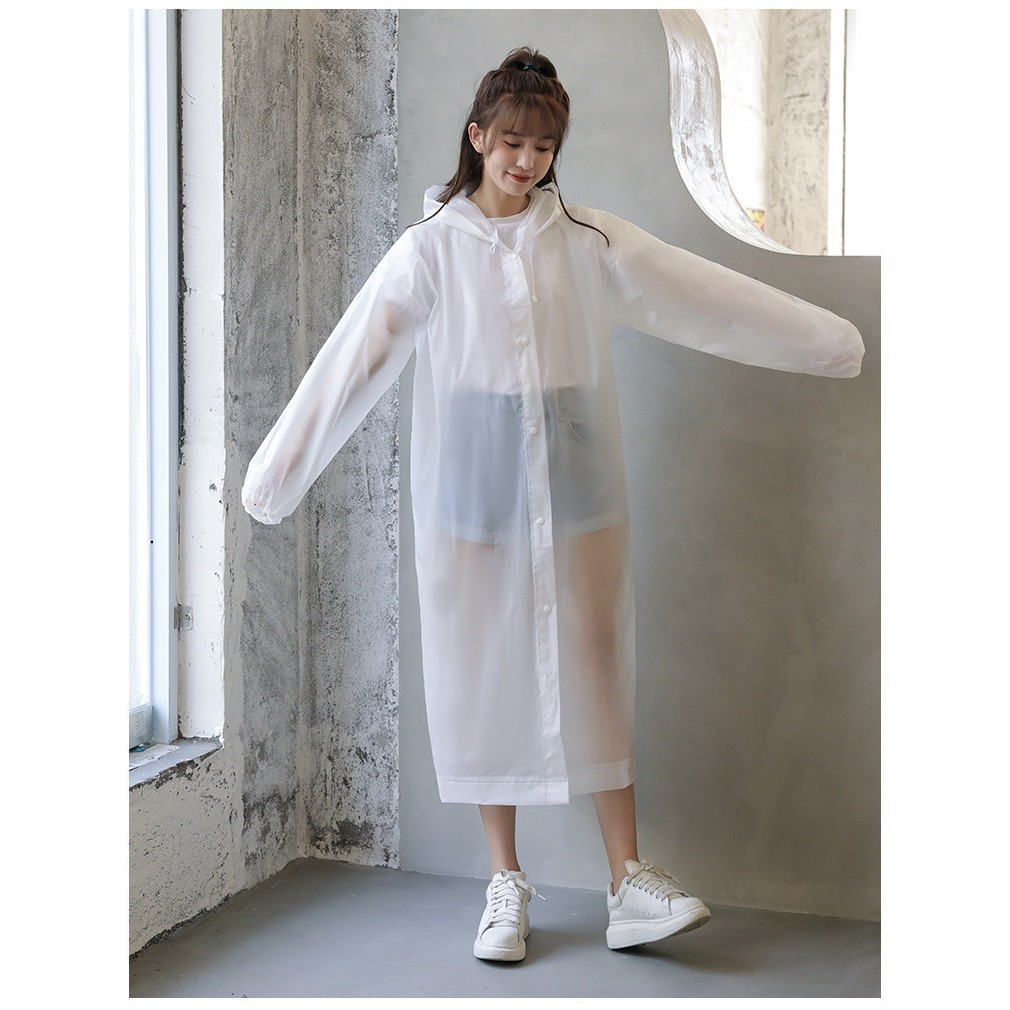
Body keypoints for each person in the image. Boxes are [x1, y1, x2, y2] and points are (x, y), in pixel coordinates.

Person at [242, 47, 865, 962]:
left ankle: (628, 878)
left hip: (574, 462)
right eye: (512, 143)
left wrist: (830, 342)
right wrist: (275, 478)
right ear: (478, 137)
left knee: (598, 650)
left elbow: (702, 294)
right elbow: (352, 363)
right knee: (483, 659)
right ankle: (505, 880)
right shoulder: (429, 251)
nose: (526, 161)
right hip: (475, 470)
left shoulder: (586, 240)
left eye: (542, 147)